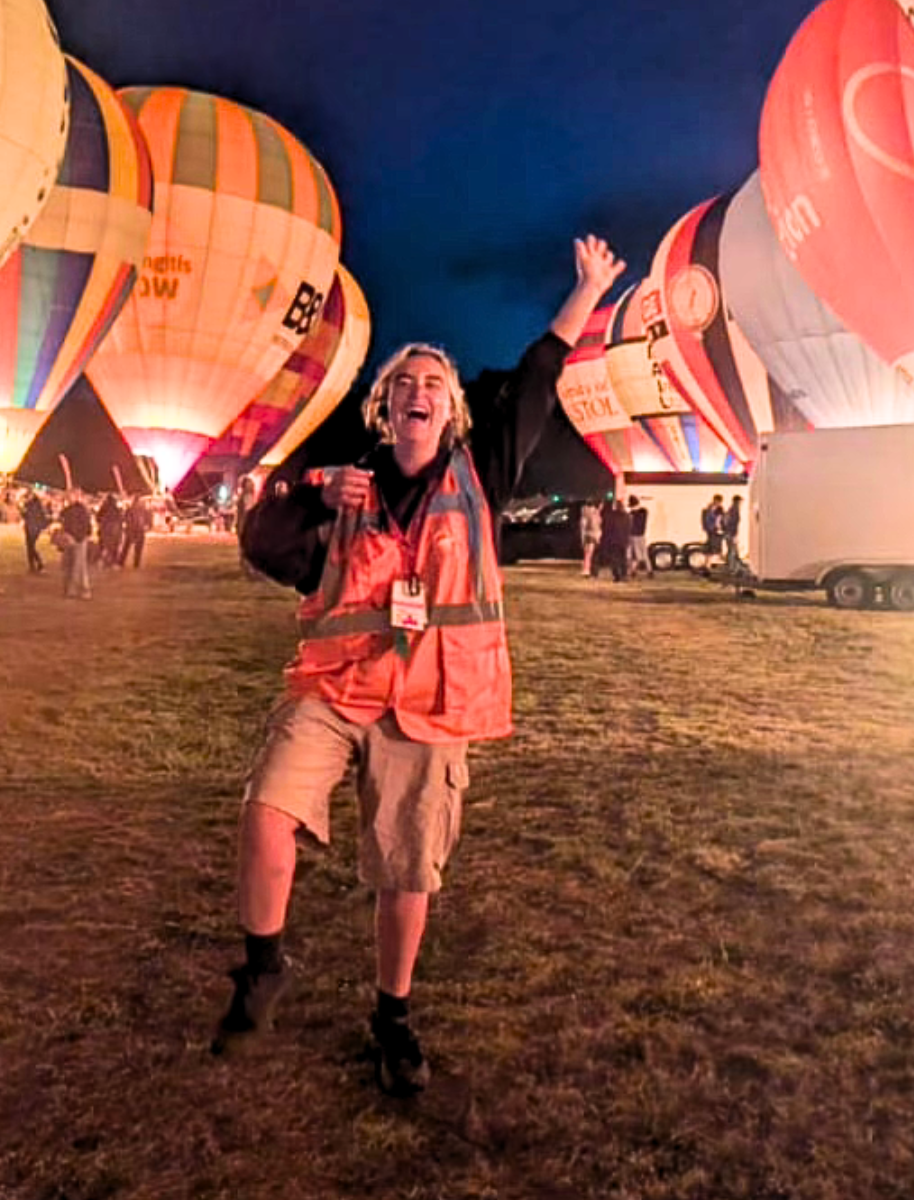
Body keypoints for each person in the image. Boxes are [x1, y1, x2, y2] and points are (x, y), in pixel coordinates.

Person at [212, 234, 626, 1095]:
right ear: (381, 408)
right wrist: (311, 492)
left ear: (453, 413)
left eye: (435, 383)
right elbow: (263, 546)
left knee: (407, 868)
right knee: (265, 810)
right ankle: (263, 970)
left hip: (431, 703)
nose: (419, 391)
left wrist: (586, 290)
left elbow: (541, 377)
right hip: (336, 689)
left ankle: (391, 1016)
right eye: (403, 383)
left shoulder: (482, 479)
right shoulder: (341, 484)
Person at [58, 490, 94, 599]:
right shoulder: (78, 509)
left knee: (76, 565)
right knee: (75, 565)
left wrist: (75, 536)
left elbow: (83, 525)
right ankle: (76, 589)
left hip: (76, 539)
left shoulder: (78, 510)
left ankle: (77, 589)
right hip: (75, 538)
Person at [595, 498, 631, 581]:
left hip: (613, 540)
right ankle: (624, 575)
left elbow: (606, 528)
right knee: (623, 559)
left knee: (614, 559)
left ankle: (617, 575)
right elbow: (629, 529)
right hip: (624, 541)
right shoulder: (627, 516)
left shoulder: (611, 516)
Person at [21, 490, 49, 573]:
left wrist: (23, 512)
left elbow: (27, 515)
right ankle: (33, 565)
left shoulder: (31, 505)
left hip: (32, 527)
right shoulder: (37, 505)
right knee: (30, 546)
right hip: (33, 527)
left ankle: (38, 563)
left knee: (30, 547)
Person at [119, 495, 152, 568]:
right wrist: (148, 526)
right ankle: (136, 564)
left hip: (131, 530)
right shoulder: (143, 509)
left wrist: (125, 526)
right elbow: (148, 519)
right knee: (137, 549)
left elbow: (124, 519)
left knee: (126, 547)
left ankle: (121, 562)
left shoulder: (130, 509)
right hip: (139, 530)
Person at [96, 492, 125, 567]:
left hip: (105, 530)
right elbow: (121, 520)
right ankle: (114, 562)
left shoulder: (104, 508)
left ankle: (101, 561)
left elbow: (98, 518)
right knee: (115, 546)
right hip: (115, 530)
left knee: (103, 546)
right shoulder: (117, 509)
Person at [626, 495, 650, 577]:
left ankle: (633, 570)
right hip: (642, 535)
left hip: (633, 535)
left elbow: (630, 524)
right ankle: (649, 570)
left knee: (636, 555)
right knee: (645, 553)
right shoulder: (644, 511)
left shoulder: (632, 514)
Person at [580, 497, 602, 577]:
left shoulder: (584, 513)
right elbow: (598, 525)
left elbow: (583, 527)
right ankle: (587, 570)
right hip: (594, 535)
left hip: (588, 535)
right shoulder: (595, 513)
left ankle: (586, 569)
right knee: (590, 554)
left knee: (587, 554)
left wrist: (582, 539)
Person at [700, 493, 725, 558]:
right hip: (710, 528)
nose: (718, 503)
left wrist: (720, 527)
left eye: (719, 501)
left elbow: (720, 519)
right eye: (717, 501)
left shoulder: (720, 508)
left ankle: (718, 556)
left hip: (716, 529)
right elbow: (705, 517)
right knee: (711, 544)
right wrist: (704, 526)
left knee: (715, 544)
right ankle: (709, 560)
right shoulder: (709, 507)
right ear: (714, 500)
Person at [723, 494, 744, 571]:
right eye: (740, 502)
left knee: (731, 550)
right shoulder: (734, 510)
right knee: (732, 550)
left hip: (729, 533)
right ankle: (731, 567)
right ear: (737, 501)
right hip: (731, 533)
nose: (741, 503)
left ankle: (729, 565)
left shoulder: (731, 509)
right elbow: (733, 523)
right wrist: (734, 534)